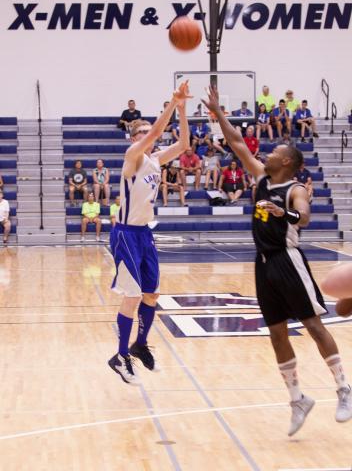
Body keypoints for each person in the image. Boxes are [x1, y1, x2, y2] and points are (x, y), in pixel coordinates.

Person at [202, 85, 352, 436]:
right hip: (263, 263)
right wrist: (218, 112)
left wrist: (281, 212)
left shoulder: (294, 188)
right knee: (276, 334)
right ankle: (298, 398)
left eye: (274, 151)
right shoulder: (261, 178)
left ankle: (344, 388)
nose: (266, 153)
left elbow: (304, 217)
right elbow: (238, 143)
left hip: (289, 260)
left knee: (314, 326)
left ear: (286, 161)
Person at [108, 81, 191, 385]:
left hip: (144, 233)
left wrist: (182, 109)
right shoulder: (132, 156)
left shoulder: (156, 159)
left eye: (148, 133)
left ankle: (139, 344)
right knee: (132, 296)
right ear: (134, 138)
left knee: (152, 294)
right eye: (141, 133)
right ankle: (120, 357)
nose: (148, 136)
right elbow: (157, 132)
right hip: (126, 234)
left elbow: (183, 144)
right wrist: (173, 100)